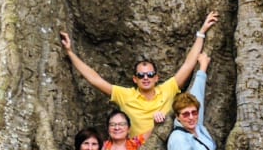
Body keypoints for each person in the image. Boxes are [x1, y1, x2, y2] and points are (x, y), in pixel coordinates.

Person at [58, 10, 218, 138]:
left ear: (157, 77)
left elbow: (189, 64)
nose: (146, 78)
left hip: (166, 148)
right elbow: (95, 79)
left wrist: (202, 32)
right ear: (135, 79)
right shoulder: (126, 95)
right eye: (141, 75)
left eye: (150, 74)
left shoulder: (168, 89)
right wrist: (70, 53)